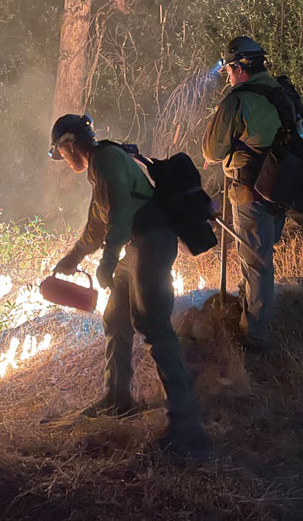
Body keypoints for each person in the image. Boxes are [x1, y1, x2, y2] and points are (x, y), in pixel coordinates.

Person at [48, 113, 209, 459]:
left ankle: (186, 427)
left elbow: (121, 214)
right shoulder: (101, 164)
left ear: (69, 145)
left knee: (152, 325)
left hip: (151, 241)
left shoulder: (105, 159)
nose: (64, 160)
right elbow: (98, 223)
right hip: (138, 245)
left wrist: (106, 263)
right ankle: (117, 399)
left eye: (61, 153)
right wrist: (72, 259)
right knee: (116, 316)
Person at [202, 37, 288, 354]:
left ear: (239, 68)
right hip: (281, 186)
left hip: (250, 188)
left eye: (228, 71)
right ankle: (247, 310)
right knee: (259, 254)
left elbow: (212, 149)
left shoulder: (238, 101)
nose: (227, 77)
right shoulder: (282, 93)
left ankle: (256, 335)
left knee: (256, 261)